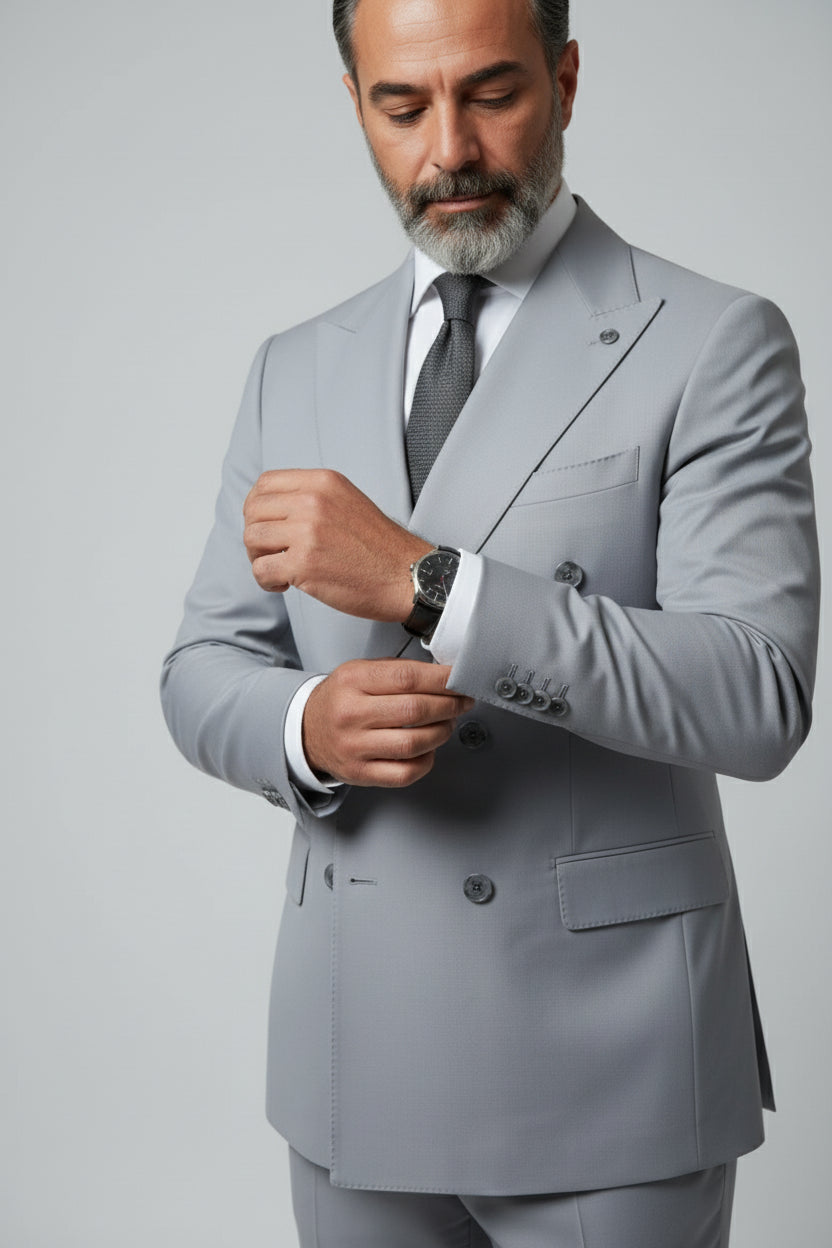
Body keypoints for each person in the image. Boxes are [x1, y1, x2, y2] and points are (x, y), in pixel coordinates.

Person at [160, 0, 820, 1243]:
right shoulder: (292, 367)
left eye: (493, 93)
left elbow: (757, 692)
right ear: (354, 103)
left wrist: (428, 583)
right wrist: (306, 726)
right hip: (354, 1050)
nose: (448, 148)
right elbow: (202, 667)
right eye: (401, 106)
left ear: (565, 80)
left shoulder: (712, 341)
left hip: (607, 1058)